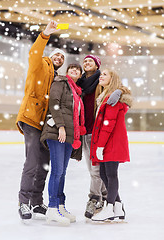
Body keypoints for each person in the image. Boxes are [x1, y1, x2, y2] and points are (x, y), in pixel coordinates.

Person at [16, 20, 66, 220]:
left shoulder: (57, 77)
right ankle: (24, 202)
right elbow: (34, 53)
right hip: (30, 118)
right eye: (57, 55)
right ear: (50, 56)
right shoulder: (40, 65)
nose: (60, 58)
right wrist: (45, 34)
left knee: (44, 163)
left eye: (62, 57)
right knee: (32, 161)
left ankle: (37, 202)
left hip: (46, 124)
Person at [76, 55, 122, 219]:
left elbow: (118, 86)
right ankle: (113, 202)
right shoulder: (79, 84)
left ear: (97, 65)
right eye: (85, 61)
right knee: (94, 171)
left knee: (97, 171)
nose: (87, 63)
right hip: (84, 132)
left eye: (91, 61)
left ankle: (95, 199)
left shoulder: (101, 81)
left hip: (97, 132)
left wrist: (119, 91)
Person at [40, 63, 86, 226]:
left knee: (63, 172)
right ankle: (52, 208)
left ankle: (60, 205)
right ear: (67, 72)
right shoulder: (60, 83)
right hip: (57, 132)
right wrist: (60, 126)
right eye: (71, 69)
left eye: (77, 70)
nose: (74, 71)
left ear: (80, 75)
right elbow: (54, 103)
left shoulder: (77, 92)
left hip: (69, 135)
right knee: (57, 171)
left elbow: (77, 117)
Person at [90, 68, 132, 221]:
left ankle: (109, 207)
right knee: (103, 174)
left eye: (105, 74)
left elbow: (108, 124)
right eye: (101, 74)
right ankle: (118, 207)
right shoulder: (105, 97)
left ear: (112, 79)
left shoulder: (112, 99)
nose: (101, 76)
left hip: (111, 142)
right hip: (109, 142)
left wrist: (100, 146)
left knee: (111, 175)